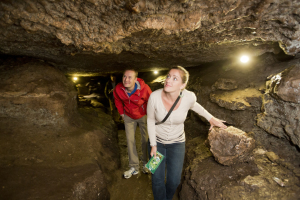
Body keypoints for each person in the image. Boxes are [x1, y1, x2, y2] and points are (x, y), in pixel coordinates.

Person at [147, 66, 227, 200]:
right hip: (157, 143)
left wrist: (211, 119)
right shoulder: (154, 97)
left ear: (183, 85)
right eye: (168, 76)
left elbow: (195, 106)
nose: (168, 80)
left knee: (174, 181)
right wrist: (153, 145)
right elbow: (149, 120)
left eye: (174, 78)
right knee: (157, 180)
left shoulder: (188, 96)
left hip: (177, 144)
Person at [113, 69, 152, 178]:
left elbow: (152, 101)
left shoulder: (145, 89)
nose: (126, 79)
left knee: (145, 139)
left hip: (143, 115)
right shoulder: (118, 88)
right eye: (124, 76)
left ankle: (146, 164)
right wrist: (121, 113)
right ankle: (134, 167)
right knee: (130, 140)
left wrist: (150, 115)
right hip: (129, 116)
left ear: (135, 79)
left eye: (130, 77)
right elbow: (117, 100)